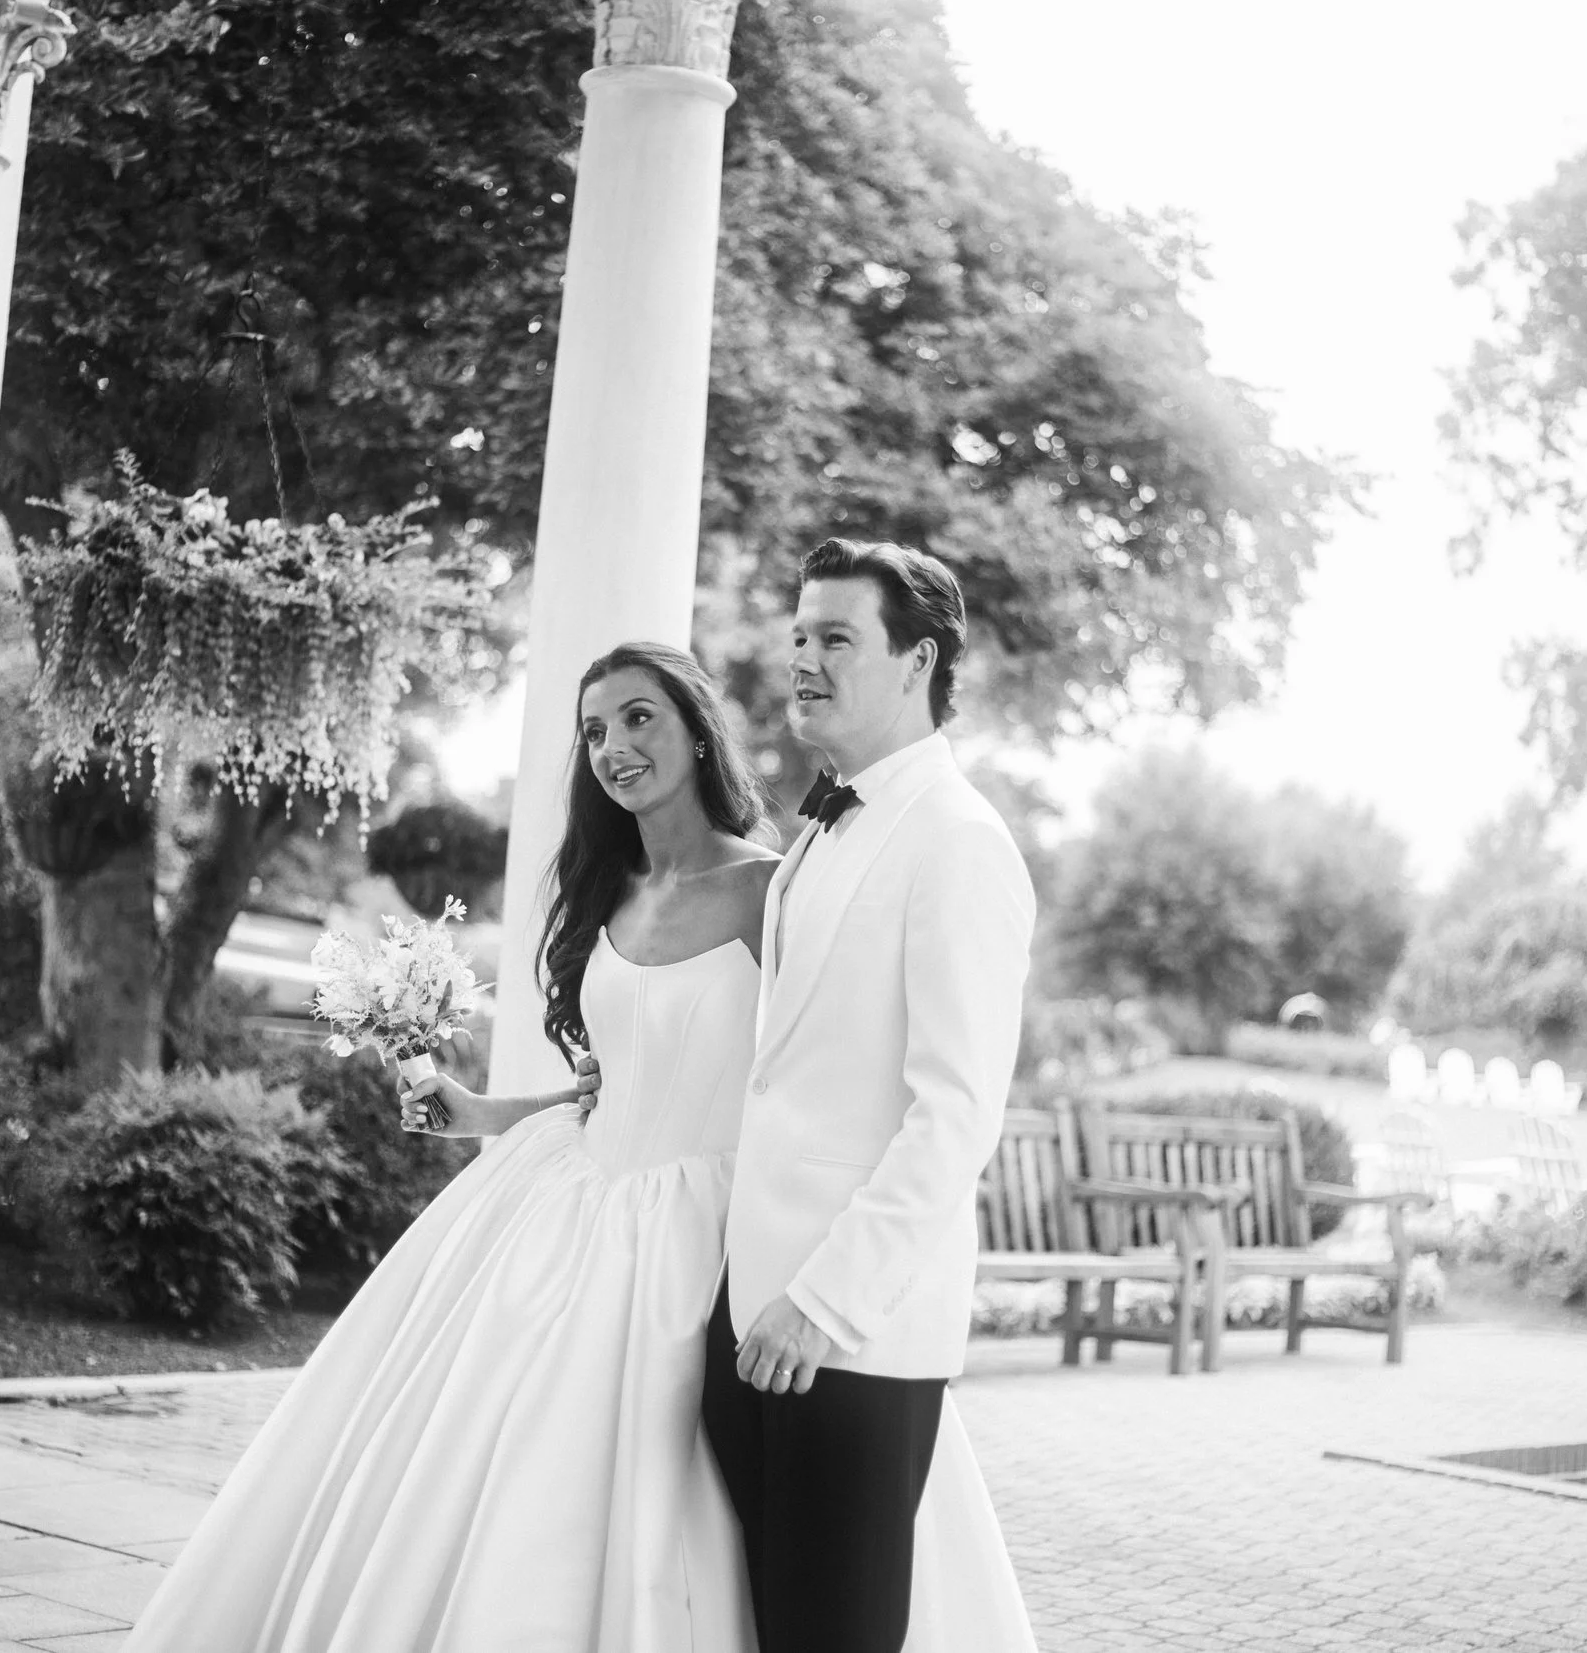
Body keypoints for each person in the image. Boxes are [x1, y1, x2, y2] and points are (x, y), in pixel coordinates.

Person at [120, 636, 1031, 1652]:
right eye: (594, 730)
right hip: (572, 1206)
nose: (613, 745)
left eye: (638, 717)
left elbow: (824, 1069)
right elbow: (614, 1090)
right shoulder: (611, 890)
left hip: (714, 1231)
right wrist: (475, 1109)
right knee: (506, 1474)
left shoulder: (774, 889)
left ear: (694, 728)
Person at [706, 539, 1037, 1653]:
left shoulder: (959, 841)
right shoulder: (817, 830)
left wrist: (824, 1301)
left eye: (834, 637)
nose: (801, 657)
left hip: (847, 1334)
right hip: (749, 1310)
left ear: (916, 661)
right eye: (799, 634)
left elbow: (953, 1116)